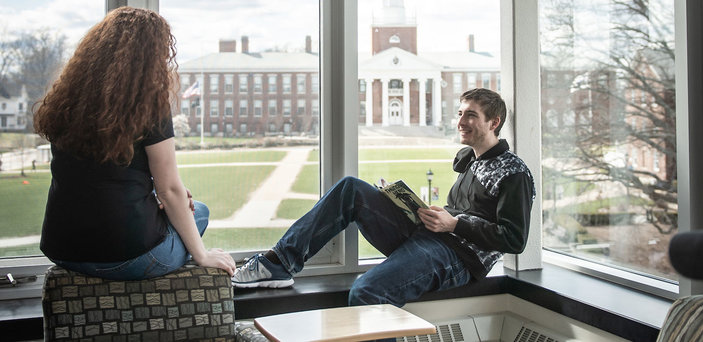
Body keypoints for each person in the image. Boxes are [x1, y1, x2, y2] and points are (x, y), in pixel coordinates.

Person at [232, 88, 535, 307]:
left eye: (471, 115)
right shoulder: (471, 159)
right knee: (351, 189)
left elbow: (513, 239)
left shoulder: (514, 172)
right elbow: (464, 211)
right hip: (431, 235)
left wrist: (453, 225)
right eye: (460, 113)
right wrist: (414, 208)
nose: (460, 121)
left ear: (494, 122)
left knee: (366, 292)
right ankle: (277, 263)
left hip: (457, 258)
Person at [33, 7, 236, 280]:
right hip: (127, 256)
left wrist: (157, 197)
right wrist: (202, 256)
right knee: (198, 211)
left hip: (62, 248)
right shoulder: (148, 103)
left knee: (179, 207)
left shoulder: (69, 100)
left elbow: (97, 178)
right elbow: (170, 189)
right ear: (151, 56)